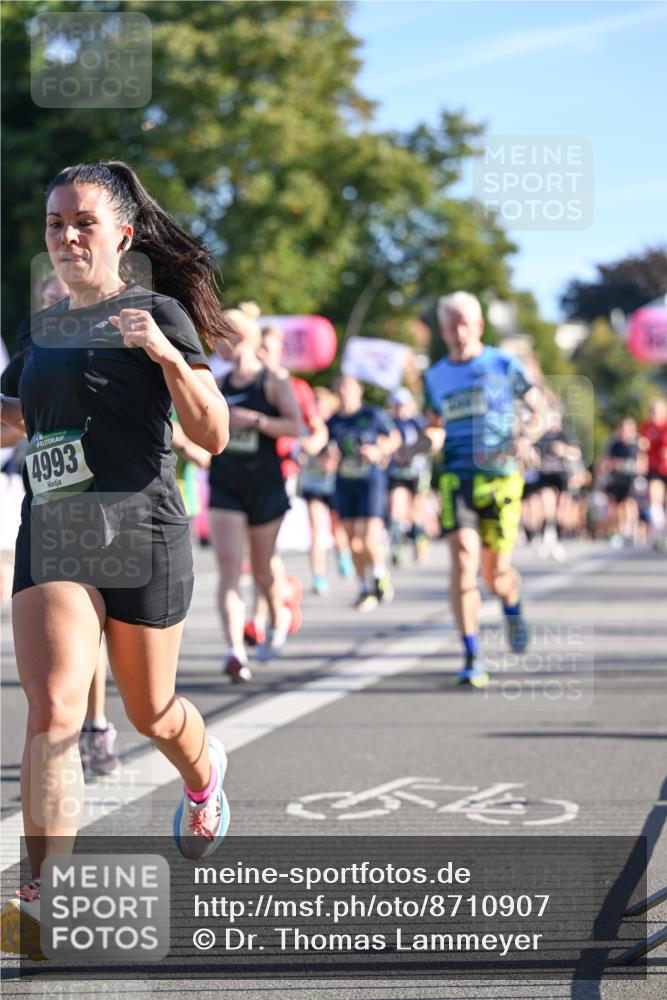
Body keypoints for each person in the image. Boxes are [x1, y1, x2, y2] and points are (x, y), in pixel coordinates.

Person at [0, 161, 232, 959]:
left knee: (151, 712)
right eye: (54, 223)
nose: (65, 236)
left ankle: (203, 778)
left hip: (142, 534)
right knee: (55, 708)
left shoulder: (156, 310)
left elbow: (212, 434)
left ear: (122, 235)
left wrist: (168, 355)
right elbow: (11, 419)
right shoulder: (41, 329)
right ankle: (38, 901)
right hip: (57, 534)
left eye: (83, 222)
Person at [421, 291, 539, 688]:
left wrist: (524, 435)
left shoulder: (503, 363)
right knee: (462, 562)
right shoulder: (435, 375)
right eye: (450, 323)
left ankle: (511, 602)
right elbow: (435, 426)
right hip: (456, 477)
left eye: (464, 322)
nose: (457, 330)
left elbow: (541, 412)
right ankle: (471, 652)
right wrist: (417, 445)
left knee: (495, 574)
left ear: (479, 326)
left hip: (501, 477)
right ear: (442, 329)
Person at [207, 304, 301, 682]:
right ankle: (234, 651)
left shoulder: (273, 381)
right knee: (229, 570)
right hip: (226, 482)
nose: (214, 343)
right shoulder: (217, 384)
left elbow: (297, 426)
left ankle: (278, 616)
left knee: (262, 569)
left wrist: (256, 421)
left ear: (241, 338)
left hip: (264, 484)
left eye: (220, 335)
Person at [327, 375, 401, 612]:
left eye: (349, 386)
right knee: (352, 542)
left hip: (370, 481)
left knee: (368, 536)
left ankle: (379, 575)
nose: (344, 391)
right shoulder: (333, 421)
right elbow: (321, 453)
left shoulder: (372, 414)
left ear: (359, 391)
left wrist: (379, 449)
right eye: (340, 386)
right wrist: (327, 457)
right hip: (345, 483)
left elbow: (394, 439)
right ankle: (363, 587)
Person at [387, 387, 431, 566]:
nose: (400, 409)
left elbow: (429, 442)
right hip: (396, 472)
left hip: (418, 472)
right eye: (397, 405)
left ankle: (420, 544)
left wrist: (410, 452)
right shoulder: (388, 423)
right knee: (396, 508)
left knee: (417, 510)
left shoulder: (419, 423)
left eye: (403, 405)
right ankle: (396, 547)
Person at [600, 417, 644, 546]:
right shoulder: (613, 445)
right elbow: (605, 463)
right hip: (615, 480)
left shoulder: (637, 445)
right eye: (622, 429)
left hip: (630, 480)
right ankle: (620, 531)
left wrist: (624, 465)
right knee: (615, 506)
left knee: (629, 503)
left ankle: (631, 529)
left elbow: (641, 466)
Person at [639, 398, 667, 547]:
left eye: (656, 411)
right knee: (654, 498)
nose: (654, 414)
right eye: (652, 411)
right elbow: (643, 446)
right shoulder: (646, 426)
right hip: (654, 468)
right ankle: (658, 534)